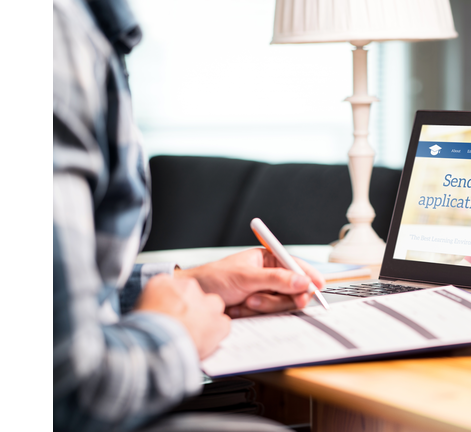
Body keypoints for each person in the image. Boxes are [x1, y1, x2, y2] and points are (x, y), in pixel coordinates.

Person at [52, 0, 324, 430]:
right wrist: (173, 332)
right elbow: (65, 395)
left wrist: (187, 286)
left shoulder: (90, 32)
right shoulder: (59, 37)